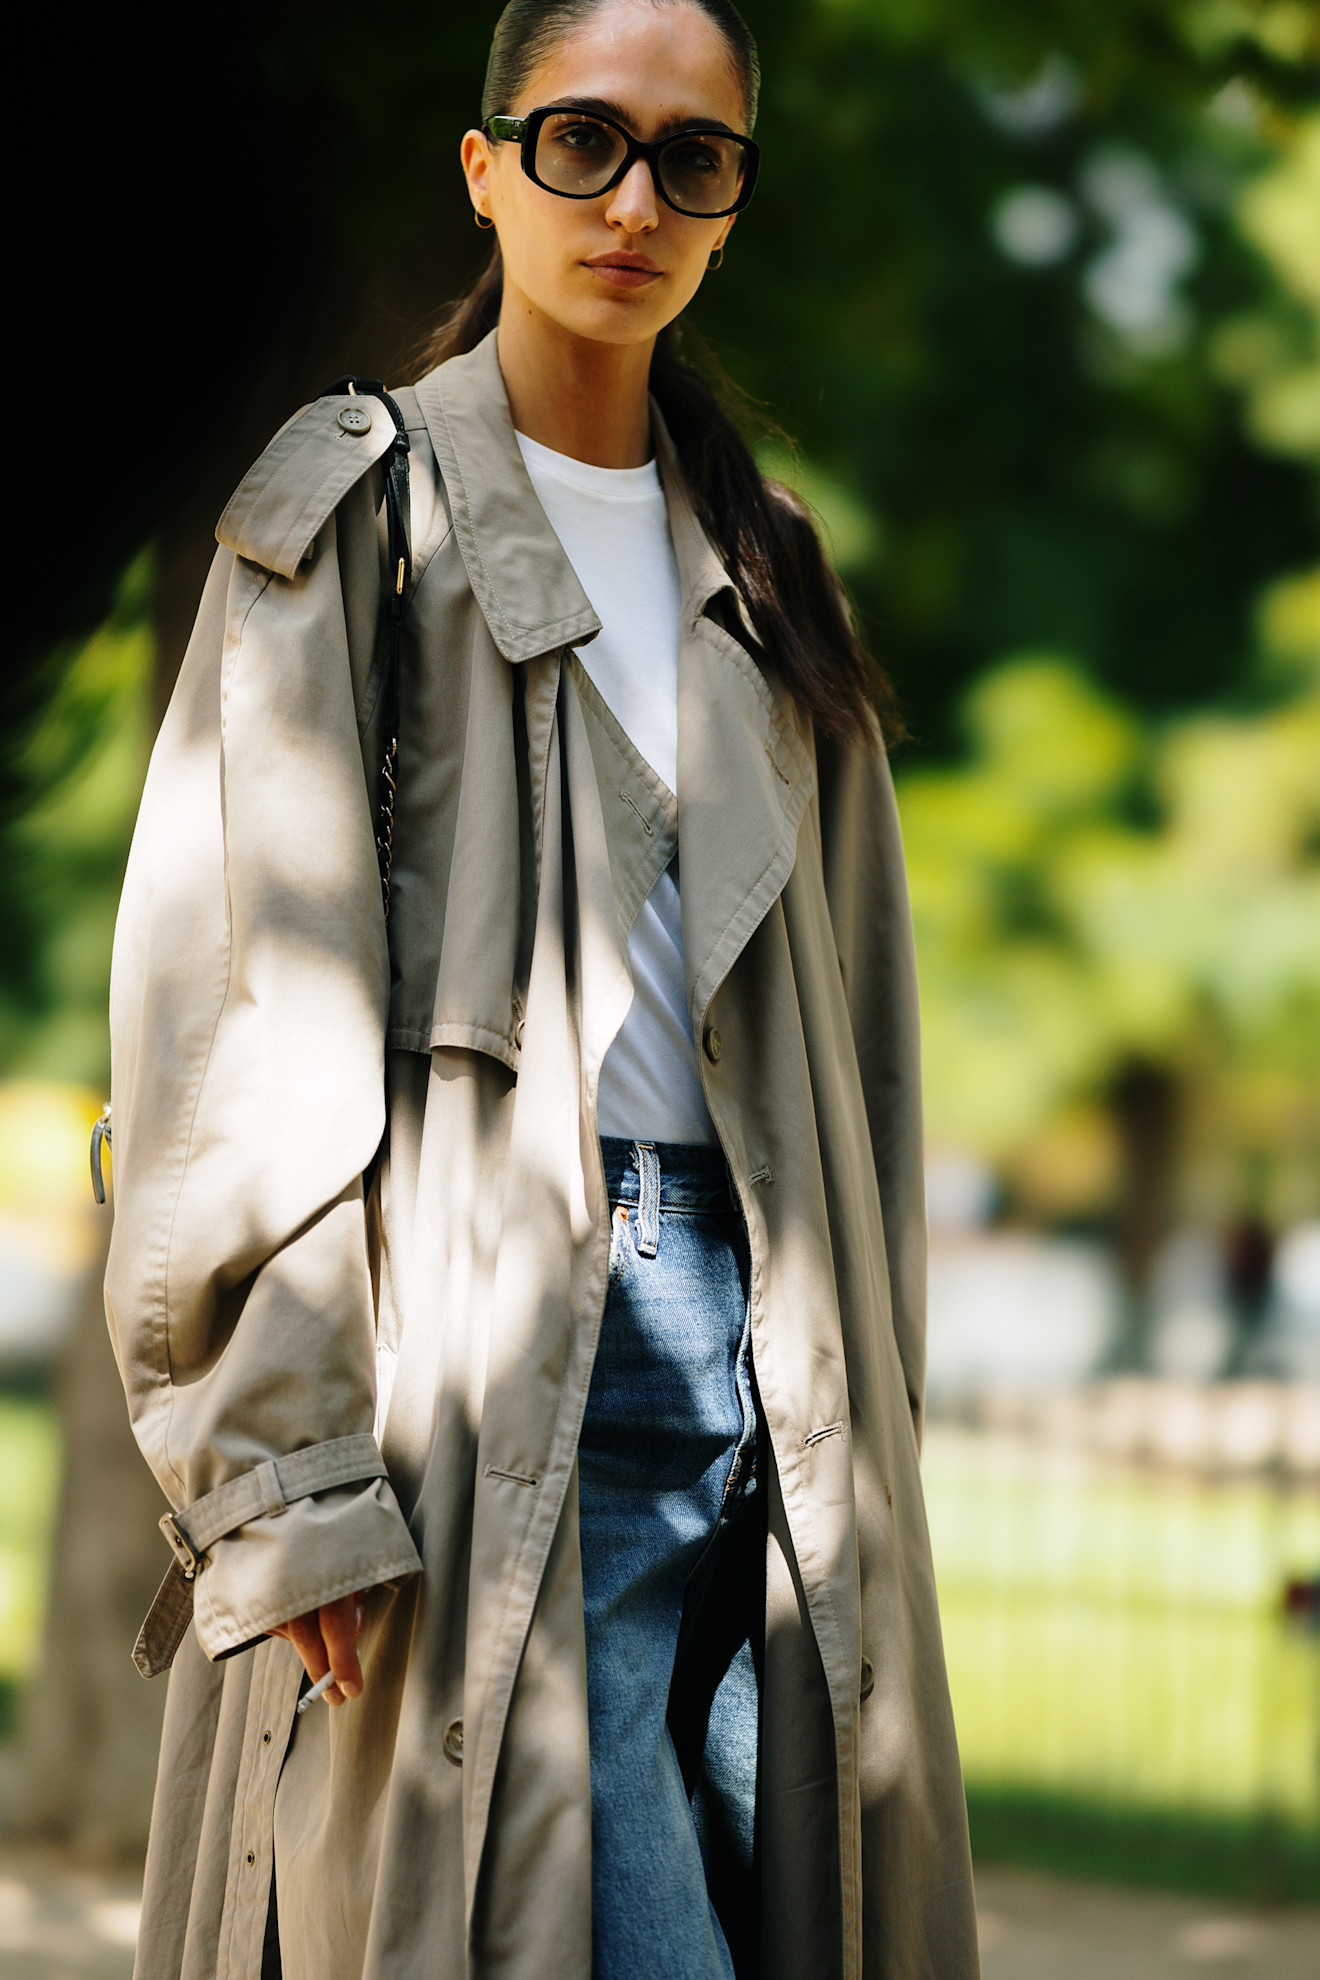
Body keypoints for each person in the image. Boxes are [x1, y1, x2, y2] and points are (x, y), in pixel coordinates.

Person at [104, 2, 980, 1976]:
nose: (634, 195)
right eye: (581, 140)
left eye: (694, 157)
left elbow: (867, 1063)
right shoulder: (357, 517)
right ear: (486, 165)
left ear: (734, 205)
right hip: (489, 1352)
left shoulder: (773, 572)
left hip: (764, 1364)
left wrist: (874, 1439)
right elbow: (225, 1013)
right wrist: (284, 1469)